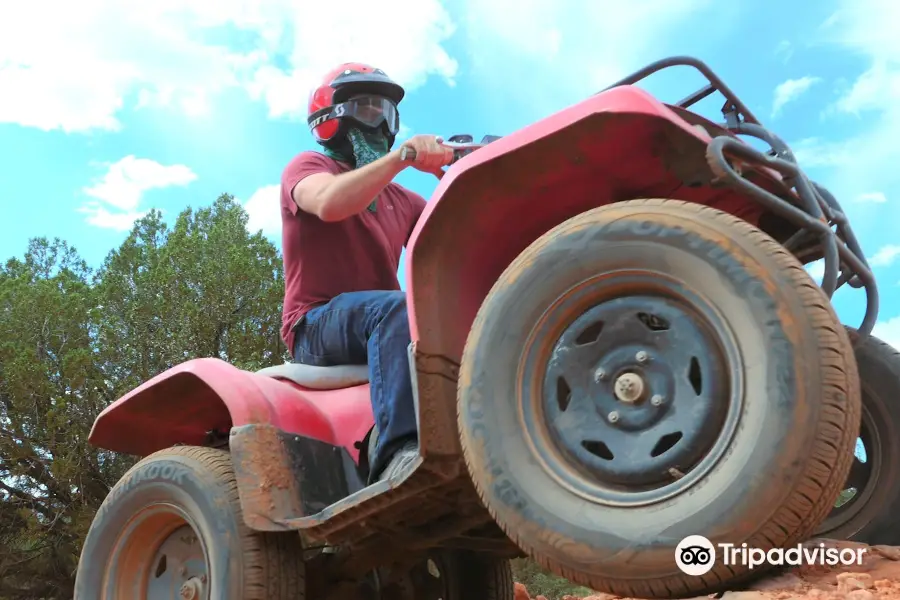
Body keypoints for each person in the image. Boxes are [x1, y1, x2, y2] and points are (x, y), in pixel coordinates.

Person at [279, 63, 454, 485]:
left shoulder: (405, 201)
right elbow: (331, 204)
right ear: (331, 117)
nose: (377, 121)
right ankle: (399, 454)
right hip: (316, 325)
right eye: (366, 107)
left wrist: (478, 172)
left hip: (381, 325)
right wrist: (404, 157)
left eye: (384, 111)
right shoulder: (308, 168)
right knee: (396, 309)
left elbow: (457, 243)